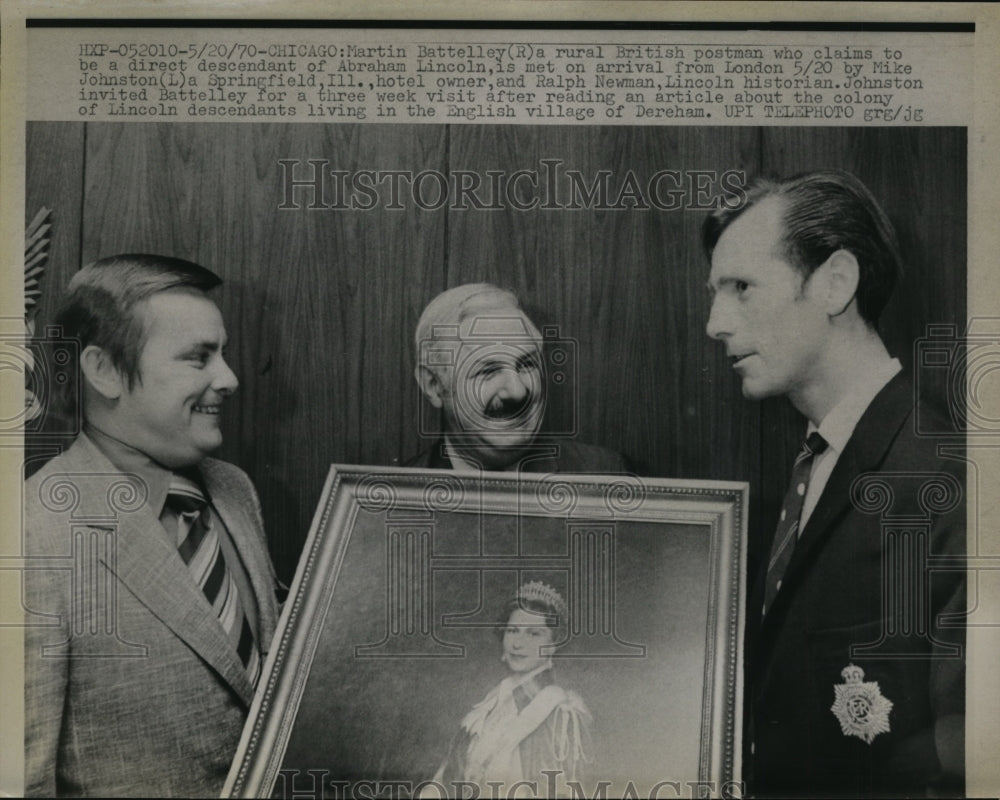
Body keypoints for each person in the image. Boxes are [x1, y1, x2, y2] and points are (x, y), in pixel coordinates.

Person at [703, 171, 965, 797]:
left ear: (835, 282)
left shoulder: (953, 480)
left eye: (741, 287)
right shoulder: (811, 463)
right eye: (715, 291)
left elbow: (967, 761)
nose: (715, 322)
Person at [23, 254, 281, 797]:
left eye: (224, 353)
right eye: (199, 358)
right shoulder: (33, 532)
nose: (229, 378)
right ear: (105, 370)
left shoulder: (234, 490)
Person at [408, 284, 627, 473]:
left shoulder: (604, 474)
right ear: (433, 385)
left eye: (527, 364)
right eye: (488, 371)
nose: (517, 391)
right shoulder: (393, 496)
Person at [430, 582, 591, 797]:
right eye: (513, 630)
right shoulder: (486, 710)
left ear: (553, 644)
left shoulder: (558, 716)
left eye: (534, 634)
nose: (518, 644)